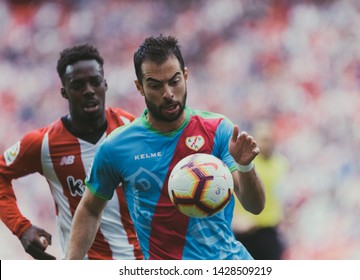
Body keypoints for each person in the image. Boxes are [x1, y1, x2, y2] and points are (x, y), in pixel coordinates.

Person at [66, 35, 266, 260]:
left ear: (186, 76)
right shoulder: (116, 147)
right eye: (155, 85)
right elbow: (90, 209)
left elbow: (255, 206)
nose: (168, 93)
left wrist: (245, 166)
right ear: (139, 87)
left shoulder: (218, 129)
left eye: (174, 80)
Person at [0, 44, 143, 260]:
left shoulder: (131, 129)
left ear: (105, 84)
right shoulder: (45, 143)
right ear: (64, 92)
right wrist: (21, 228)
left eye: (95, 82)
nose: (88, 90)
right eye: (77, 85)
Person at [232, 121, 289, 260]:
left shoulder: (281, 163)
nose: (267, 143)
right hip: (247, 230)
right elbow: (229, 191)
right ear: (254, 139)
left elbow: (282, 194)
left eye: (270, 139)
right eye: (263, 139)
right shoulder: (244, 164)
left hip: (270, 230)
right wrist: (235, 219)